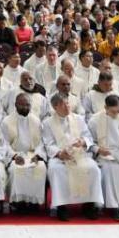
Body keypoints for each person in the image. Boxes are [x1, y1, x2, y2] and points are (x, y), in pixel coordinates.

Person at [43, 92, 102, 220]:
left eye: (68, 102)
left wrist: (83, 141)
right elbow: (48, 144)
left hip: (79, 154)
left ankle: (89, 205)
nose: (67, 106)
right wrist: (59, 153)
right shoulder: (48, 123)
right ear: (55, 107)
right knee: (56, 170)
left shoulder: (78, 119)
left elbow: (88, 136)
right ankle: (61, 207)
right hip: (60, 157)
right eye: (63, 104)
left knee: (93, 169)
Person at [1, 92, 47, 209]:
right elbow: (4, 144)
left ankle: (34, 202)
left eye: (28, 105)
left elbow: (42, 142)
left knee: (40, 168)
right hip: (16, 155)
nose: (25, 107)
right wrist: (14, 156)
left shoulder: (36, 121)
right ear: (16, 105)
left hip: (32, 154)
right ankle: (18, 202)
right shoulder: (7, 121)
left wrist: (38, 155)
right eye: (22, 105)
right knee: (15, 169)